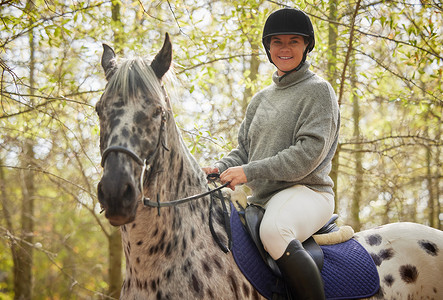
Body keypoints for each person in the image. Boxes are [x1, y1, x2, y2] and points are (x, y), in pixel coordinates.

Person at [203, 7, 339, 300]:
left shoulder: (318, 91)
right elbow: (244, 152)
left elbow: (307, 155)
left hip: (309, 193)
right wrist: (216, 169)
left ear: (306, 45)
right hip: (263, 200)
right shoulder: (260, 99)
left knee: (274, 233)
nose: (285, 48)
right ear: (268, 48)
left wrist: (249, 172)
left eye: (294, 41)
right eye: (277, 41)